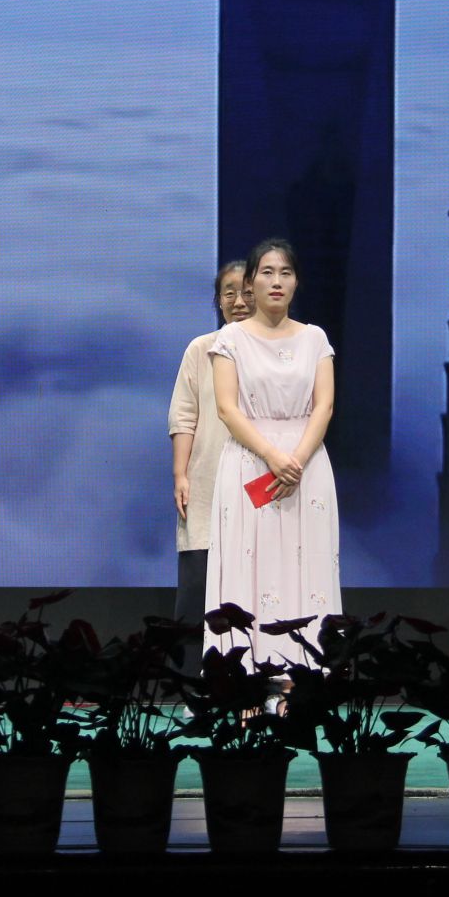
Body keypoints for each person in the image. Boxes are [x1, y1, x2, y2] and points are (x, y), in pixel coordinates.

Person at [205, 239, 340, 662]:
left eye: (286, 272)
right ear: (251, 282)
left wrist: (295, 459)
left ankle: (303, 672)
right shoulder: (230, 338)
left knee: (307, 563)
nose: (276, 281)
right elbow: (227, 409)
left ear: (296, 282)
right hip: (250, 461)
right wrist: (272, 455)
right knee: (249, 563)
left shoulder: (315, 338)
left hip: (306, 465)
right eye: (267, 272)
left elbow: (324, 405)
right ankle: (243, 673)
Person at [167, 260, 253, 626]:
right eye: (229, 293)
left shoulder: (277, 351)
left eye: (247, 292)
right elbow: (184, 415)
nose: (239, 301)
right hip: (206, 482)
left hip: (260, 484)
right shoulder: (201, 349)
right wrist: (180, 474)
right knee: (198, 592)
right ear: (218, 300)